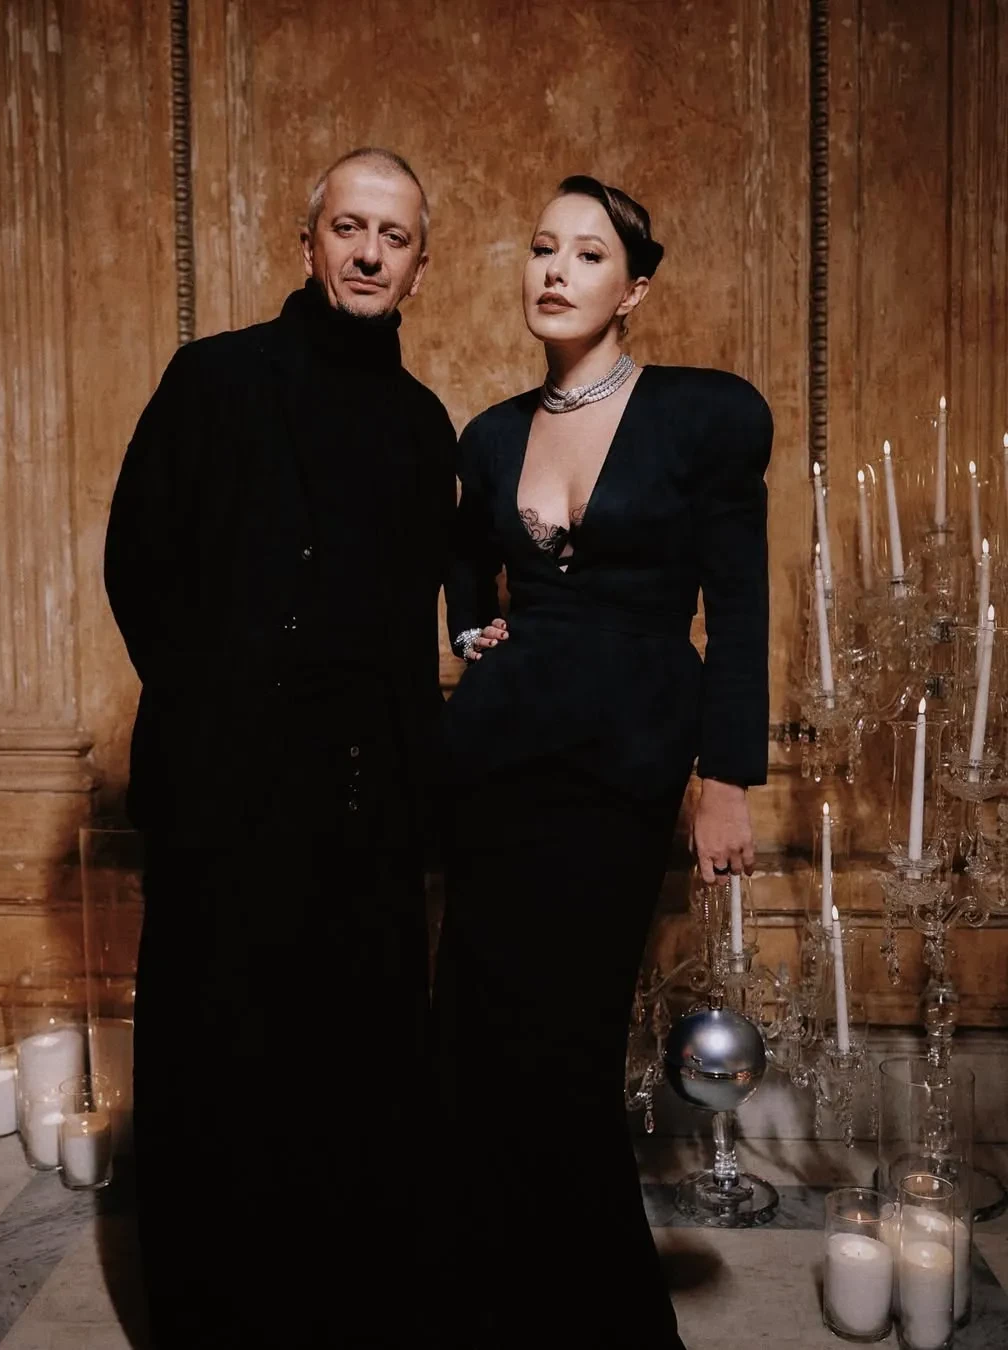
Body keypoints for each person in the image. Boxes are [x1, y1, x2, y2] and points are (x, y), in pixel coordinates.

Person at [104, 147, 455, 1349]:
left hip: (366, 814)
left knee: (352, 1084)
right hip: (225, 801)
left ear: (419, 269)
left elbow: (415, 624)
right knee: (218, 1071)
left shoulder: (425, 426)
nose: (368, 252)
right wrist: (218, 714)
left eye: (393, 237)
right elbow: (137, 561)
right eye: (349, 227)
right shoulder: (213, 380)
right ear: (307, 245)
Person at [432, 175, 771, 1348]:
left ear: (634, 290)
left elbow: (739, 604)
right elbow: (465, 564)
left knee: (566, 1057)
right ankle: (482, 1310)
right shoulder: (489, 435)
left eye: (587, 254)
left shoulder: (702, 415)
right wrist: (472, 632)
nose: (556, 271)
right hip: (496, 767)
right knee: (475, 1044)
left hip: (621, 770)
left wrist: (725, 778)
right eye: (542, 247)